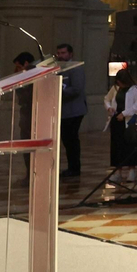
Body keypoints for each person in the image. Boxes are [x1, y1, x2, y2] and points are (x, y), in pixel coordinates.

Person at [54, 42, 86, 179]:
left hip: (74, 110)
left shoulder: (76, 68)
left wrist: (59, 90)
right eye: (59, 53)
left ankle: (74, 168)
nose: (60, 56)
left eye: (63, 53)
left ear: (70, 54)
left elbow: (77, 89)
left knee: (71, 140)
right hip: (63, 110)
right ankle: (71, 167)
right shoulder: (57, 67)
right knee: (67, 140)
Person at [106, 66, 137, 184]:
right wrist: (109, 108)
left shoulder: (136, 89)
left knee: (129, 145)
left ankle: (132, 170)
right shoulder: (115, 89)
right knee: (117, 145)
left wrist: (125, 113)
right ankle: (117, 171)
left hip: (129, 120)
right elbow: (107, 99)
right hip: (117, 120)